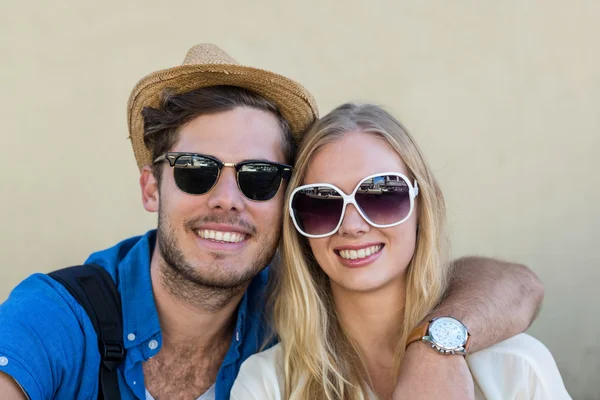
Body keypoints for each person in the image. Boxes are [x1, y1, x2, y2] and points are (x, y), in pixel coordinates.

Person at [0, 44, 544, 400]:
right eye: (196, 172)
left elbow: (514, 284)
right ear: (151, 186)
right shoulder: (61, 316)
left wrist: (434, 348)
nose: (228, 199)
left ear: (284, 200)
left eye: (258, 177)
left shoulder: (292, 300)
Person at [230, 102, 571, 400]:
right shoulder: (266, 385)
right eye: (322, 201)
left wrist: (432, 350)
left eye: (381, 194)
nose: (352, 225)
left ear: (423, 204)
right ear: (298, 226)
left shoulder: (517, 368)